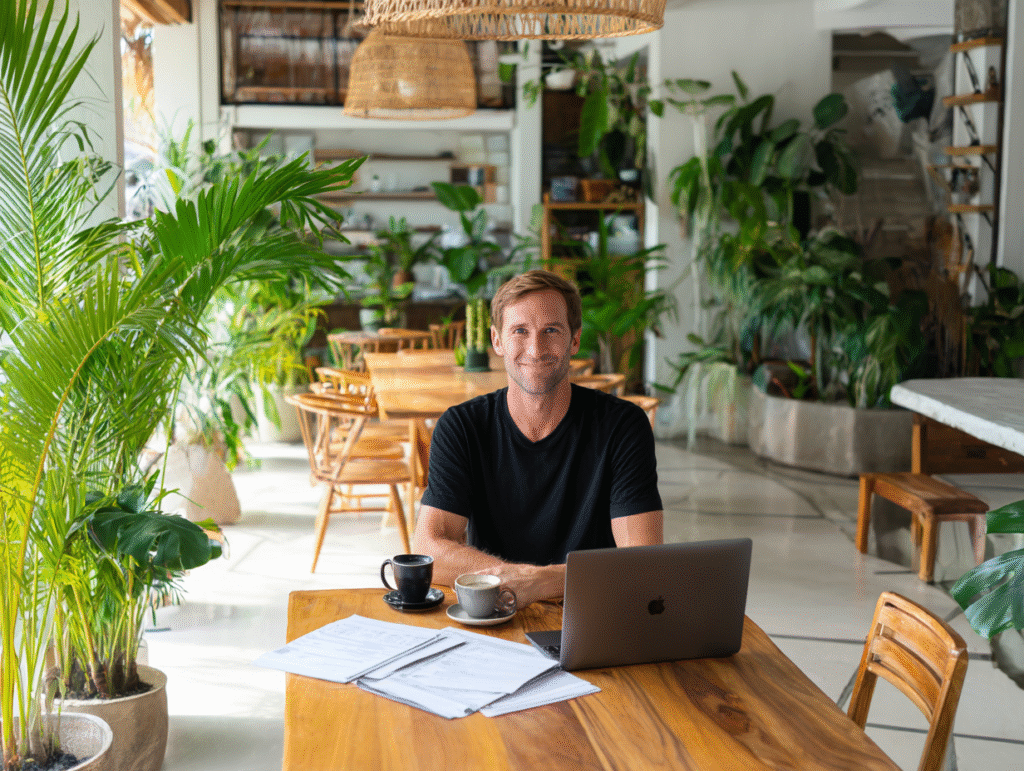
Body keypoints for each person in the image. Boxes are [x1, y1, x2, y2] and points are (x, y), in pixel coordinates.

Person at [413, 269, 663, 607]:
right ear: (497, 341)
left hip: (592, 613)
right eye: (519, 331)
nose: (535, 348)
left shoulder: (623, 426)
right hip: (495, 612)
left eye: (551, 330)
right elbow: (429, 548)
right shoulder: (462, 426)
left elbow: (642, 563)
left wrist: (537, 582)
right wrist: (513, 579)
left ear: (574, 340)